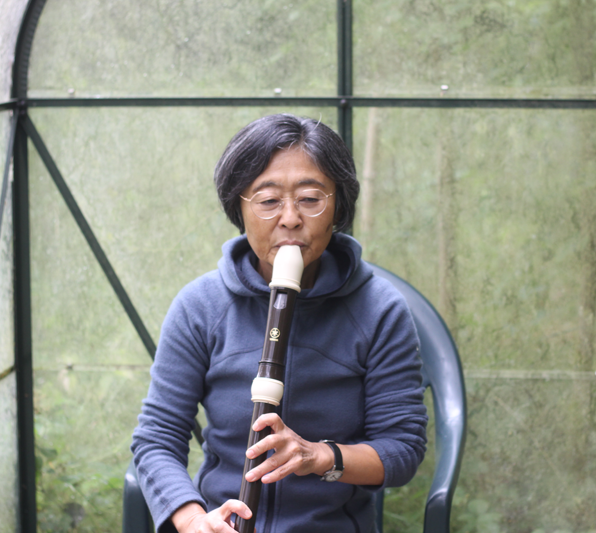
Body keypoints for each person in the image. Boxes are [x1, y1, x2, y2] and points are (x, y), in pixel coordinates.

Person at [131, 114, 428, 533]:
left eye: (310, 199)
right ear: (239, 208)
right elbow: (157, 438)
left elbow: (402, 450)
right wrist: (193, 519)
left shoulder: (378, 310)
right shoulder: (201, 305)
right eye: (268, 201)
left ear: (338, 206)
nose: (290, 219)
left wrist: (320, 456)